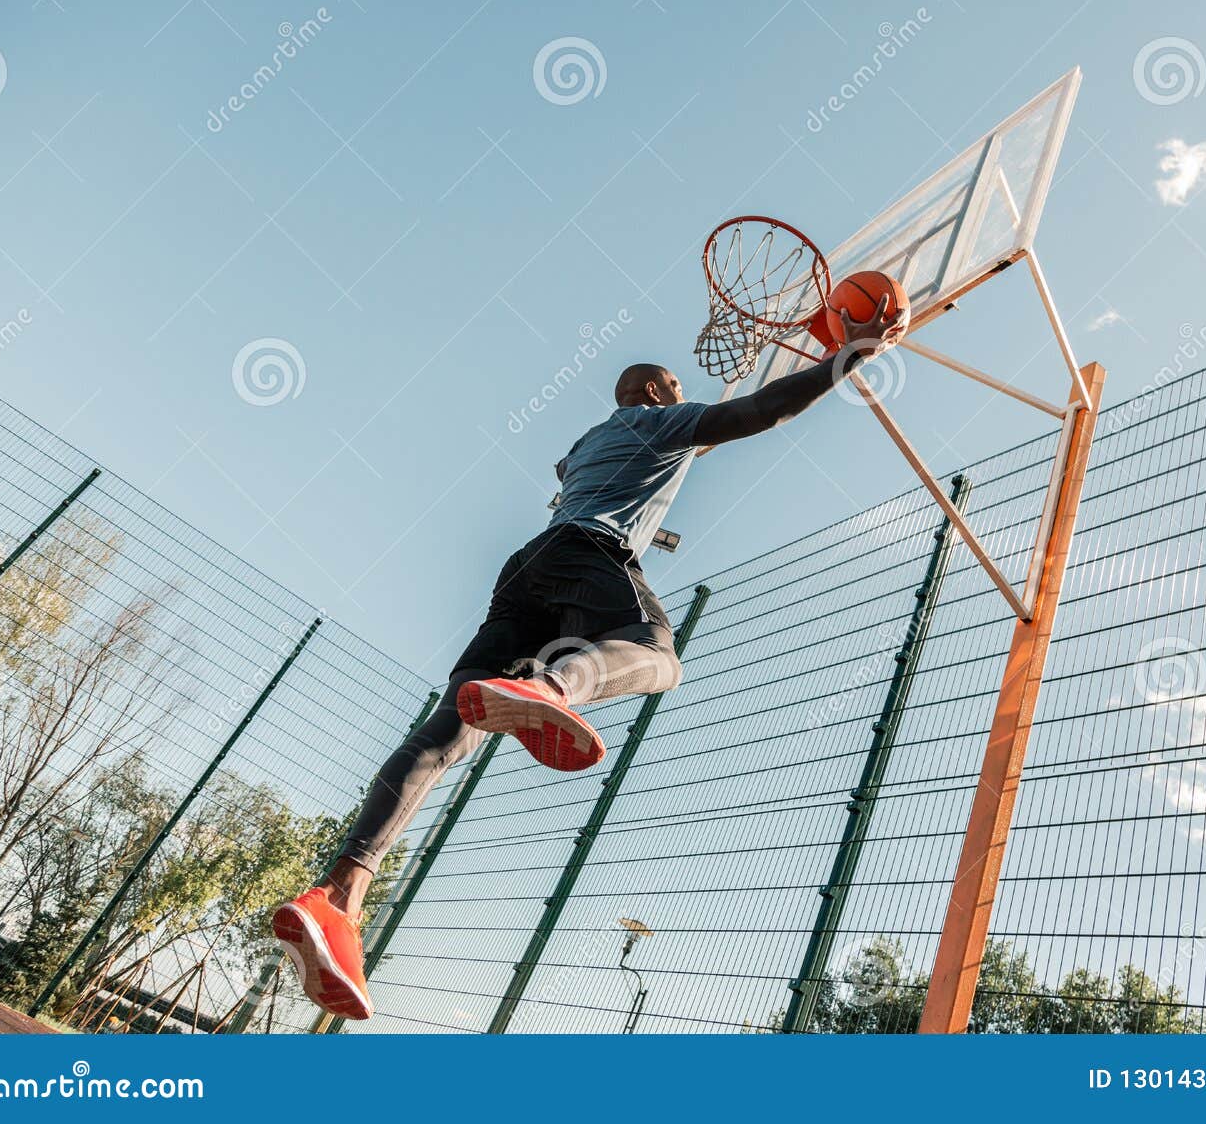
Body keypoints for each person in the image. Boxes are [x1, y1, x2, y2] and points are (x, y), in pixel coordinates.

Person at [273, 301, 909, 1020]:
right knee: (659, 655)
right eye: (675, 387)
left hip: (524, 572)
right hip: (588, 553)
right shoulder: (658, 422)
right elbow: (759, 411)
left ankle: (337, 896)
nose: (682, 394)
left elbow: (600, 463)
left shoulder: (587, 444)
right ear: (656, 394)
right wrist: (846, 355)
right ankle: (552, 686)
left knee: (447, 732)